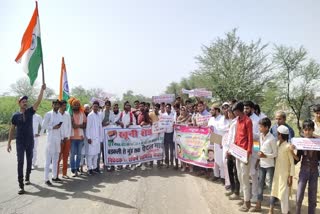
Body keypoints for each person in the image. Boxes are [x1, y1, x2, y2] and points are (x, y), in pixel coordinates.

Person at [7, 84, 46, 194]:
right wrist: (9, 143)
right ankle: (21, 185)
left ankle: (28, 176)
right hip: (20, 142)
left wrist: (41, 90)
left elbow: (38, 101)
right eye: (23, 101)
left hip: (30, 141)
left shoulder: (30, 111)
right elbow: (12, 129)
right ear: (19, 103)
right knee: (20, 162)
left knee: (29, 161)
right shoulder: (15, 116)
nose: (25, 102)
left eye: (26, 101)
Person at [291, 119, 320, 214]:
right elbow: (297, 159)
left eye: (310, 129)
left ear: (313, 130)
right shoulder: (301, 142)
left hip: (314, 171)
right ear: (303, 130)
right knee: (299, 195)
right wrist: (292, 152)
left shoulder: (317, 142)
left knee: (312, 196)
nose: (307, 132)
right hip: (303, 170)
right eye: (306, 129)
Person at [250, 117, 277, 212]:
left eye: (261, 126)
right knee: (260, 185)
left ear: (266, 127)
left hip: (269, 166)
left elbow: (275, 154)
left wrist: (265, 155)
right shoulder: (260, 136)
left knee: (270, 186)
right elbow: (258, 150)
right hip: (261, 164)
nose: (259, 128)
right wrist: (258, 159)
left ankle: (271, 208)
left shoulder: (272, 139)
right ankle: (258, 205)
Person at [232, 102, 253, 212]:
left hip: (245, 153)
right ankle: (245, 198)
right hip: (237, 152)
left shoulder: (248, 121)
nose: (234, 113)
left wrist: (248, 155)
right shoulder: (237, 121)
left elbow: (250, 138)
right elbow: (237, 136)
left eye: (235, 111)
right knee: (240, 176)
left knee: (245, 178)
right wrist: (233, 148)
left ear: (239, 111)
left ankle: (247, 203)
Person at [269, 125, 294, 214]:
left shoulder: (288, 147)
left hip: (285, 176)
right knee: (276, 192)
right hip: (277, 174)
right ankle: (286, 211)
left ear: (281, 135)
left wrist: (290, 177)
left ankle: (285, 212)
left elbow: (292, 163)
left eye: (278, 134)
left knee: (283, 196)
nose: (277, 135)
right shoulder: (277, 144)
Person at [42, 100, 63, 185]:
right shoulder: (48, 114)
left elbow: (60, 127)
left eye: (58, 104)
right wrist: (52, 127)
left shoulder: (59, 115)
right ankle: (46, 179)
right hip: (50, 139)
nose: (57, 106)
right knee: (48, 160)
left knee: (56, 159)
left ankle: (54, 177)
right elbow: (43, 126)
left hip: (57, 140)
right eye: (55, 104)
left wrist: (61, 139)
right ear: (52, 105)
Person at [243, 101, 260, 203]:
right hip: (243, 149)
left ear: (252, 109)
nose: (245, 110)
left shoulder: (257, 120)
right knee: (244, 173)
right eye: (244, 108)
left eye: (247, 108)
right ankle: (246, 194)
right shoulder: (242, 119)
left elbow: (258, 136)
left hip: (254, 148)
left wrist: (248, 132)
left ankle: (255, 195)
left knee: (253, 173)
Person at [208, 103, 227, 185]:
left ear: (217, 110)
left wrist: (221, 141)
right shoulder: (211, 119)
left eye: (212, 110)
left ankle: (223, 177)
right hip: (212, 140)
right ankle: (216, 175)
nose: (211, 112)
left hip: (220, 141)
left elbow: (224, 130)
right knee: (213, 158)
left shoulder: (222, 119)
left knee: (221, 160)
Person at [225, 107, 240, 200]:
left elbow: (234, 138)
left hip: (234, 150)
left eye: (229, 112)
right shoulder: (231, 122)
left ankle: (237, 191)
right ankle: (232, 188)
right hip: (229, 149)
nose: (228, 114)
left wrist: (231, 150)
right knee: (230, 169)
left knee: (235, 171)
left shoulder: (236, 123)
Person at [69, 97, 87, 177]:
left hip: (80, 137)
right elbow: (71, 125)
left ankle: (76, 168)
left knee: (79, 155)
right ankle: (73, 168)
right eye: (74, 104)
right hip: (72, 137)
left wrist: (78, 126)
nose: (76, 106)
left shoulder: (82, 114)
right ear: (72, 105)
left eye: (77, 104)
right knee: (72, 154)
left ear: (79, 105)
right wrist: (75, 125)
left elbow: (85, 125)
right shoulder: (70, 113)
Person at [86, 101, 103, 175]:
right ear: (92, 107)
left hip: (98, 138)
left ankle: (95, 168)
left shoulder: (99, 115)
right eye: (94, 106)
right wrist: (88, 137)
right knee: (90, 155)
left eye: (97, 106)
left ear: (98, 107)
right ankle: (89, 169)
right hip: (92, 138)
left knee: (96, 155)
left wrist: (101, 137)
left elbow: (100, 127)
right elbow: (88, 128)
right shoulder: (90, 115)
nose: (95, 107)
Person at [57, 100, 72, 179]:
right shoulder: (57, 114)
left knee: (66, 156)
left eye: (65, 105)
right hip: (59, 139)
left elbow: (69, 126)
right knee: (58, 157)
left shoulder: (67, 114)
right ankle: (55, 174)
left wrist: (68, 136)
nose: (65, 107)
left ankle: (64, 173)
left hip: (67, 139)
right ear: (60, 106)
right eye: (63, 105)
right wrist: (60, 138)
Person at [176, 106, 192, 172]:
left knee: (189, 153)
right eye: (181, 110)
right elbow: (177, 124)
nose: (182, 111)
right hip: (181, 138)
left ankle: (190, 167)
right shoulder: (179, 117)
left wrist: (189, 123)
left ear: (186, 110)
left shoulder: (190, 117)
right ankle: (184, 166)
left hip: (188, 137)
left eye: (184, 110)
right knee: (182, 152)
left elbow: (192, 124)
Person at [163, 103, 176, 169]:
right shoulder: (163, 115)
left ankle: (171, 162)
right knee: (166, 149)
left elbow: (175, 123)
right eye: (166, 107)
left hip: (171, 134)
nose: (167, 108)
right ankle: (166, 162)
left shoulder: (173, 115)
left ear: (170, 108)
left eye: (168, 107)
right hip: (165, 134)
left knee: (171, 149)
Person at [312, 104, 320, 177]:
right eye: (317, 113)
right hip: (313, 152)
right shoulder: (311, 123)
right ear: (314, 113)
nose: (318, 115)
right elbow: (304, 133)